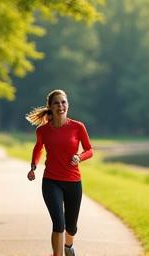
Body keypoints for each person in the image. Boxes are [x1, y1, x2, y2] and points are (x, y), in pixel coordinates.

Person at [25, 89, 93, 256]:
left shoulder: (78, 127)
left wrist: (79, 156)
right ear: (50, 106)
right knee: (58, 223)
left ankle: (68, 247)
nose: (61, 106)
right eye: (56, 103)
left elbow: (89, 150)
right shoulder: (43, 131)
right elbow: (38, 148)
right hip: (51, 181)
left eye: (63, 102)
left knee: (71, 227)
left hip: (73, 182)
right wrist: (33, 166)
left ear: (67, 105)